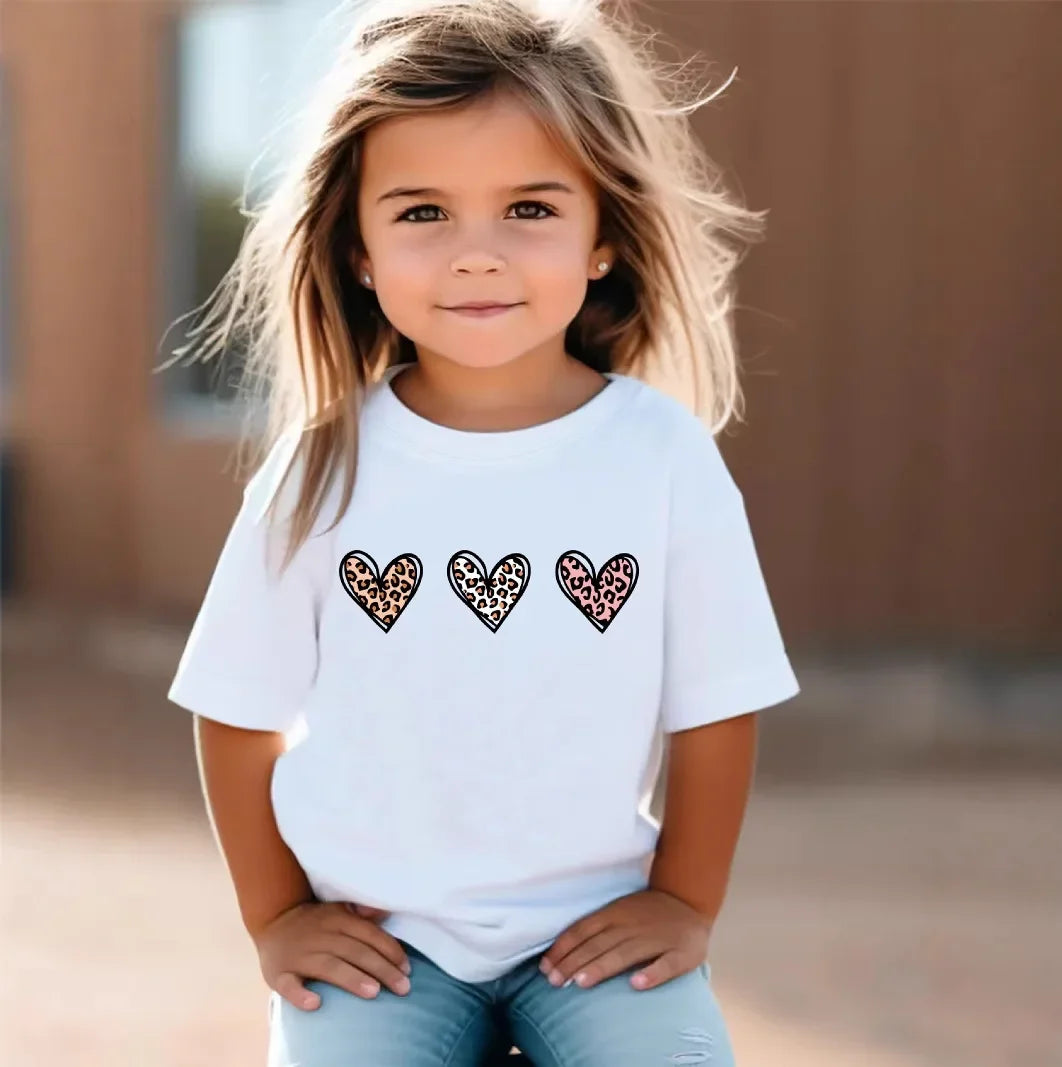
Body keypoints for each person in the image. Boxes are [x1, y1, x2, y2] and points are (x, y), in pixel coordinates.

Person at [164, 0, 800, 1062]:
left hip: (591, 934)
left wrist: (684, 900)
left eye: (528, 208)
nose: (475, 255)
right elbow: (234, 711)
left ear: (601, 236)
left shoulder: (661, 456)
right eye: (420, 213)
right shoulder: (320, 466)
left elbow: (715, 704)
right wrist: (275, 915)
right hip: (382, 942)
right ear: (357, 248)